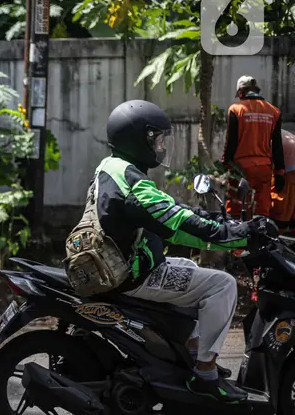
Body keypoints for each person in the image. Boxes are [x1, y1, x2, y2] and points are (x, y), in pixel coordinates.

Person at [96, 100, 257, 402]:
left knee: (191, 268)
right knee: (223, 285)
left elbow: (170, 212)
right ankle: (205, 375)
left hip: (121, 263)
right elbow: (179, 221)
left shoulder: (113, 168)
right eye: (156, 139)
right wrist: (239, 236)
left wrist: (217, 222)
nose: (160, 146)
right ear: (138, 139)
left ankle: (191, 349)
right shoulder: (133, 183)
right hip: (134, 274)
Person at [222, 75, 285, 218]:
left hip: (241, 169)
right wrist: (280, 172)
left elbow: (230, 142)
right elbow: (277, 144)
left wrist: (226, 163)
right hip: (264, 168)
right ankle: (260, 237)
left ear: (240, 92)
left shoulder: (236, 109)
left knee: (236, 209)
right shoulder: (273, 111)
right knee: (262, 210)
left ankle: (237, 236)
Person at [270, 130, 295, 234]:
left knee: (281, 204)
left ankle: (276, 233)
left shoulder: (265, 138)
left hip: (289, 169)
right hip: (290, 163)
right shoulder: (279, 132)